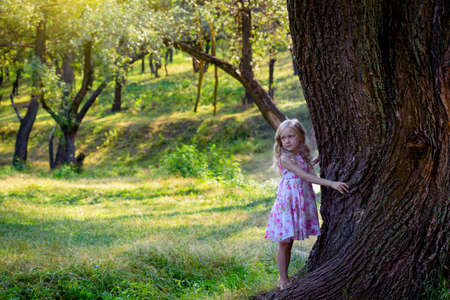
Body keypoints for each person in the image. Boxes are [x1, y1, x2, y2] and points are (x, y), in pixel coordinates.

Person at [265, 119, 349, 290]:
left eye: (291, 136)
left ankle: (284, 277)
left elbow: (306, 167)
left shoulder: (300, 154)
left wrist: (316, 159)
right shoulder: (285, 158)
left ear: (300, 137)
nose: (287, 141)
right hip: (288, 202)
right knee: (284, 241)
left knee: (289, 241)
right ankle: (282, 279)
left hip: (299, 200)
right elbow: (306, 176)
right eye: (283, 138)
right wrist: (331, 183)